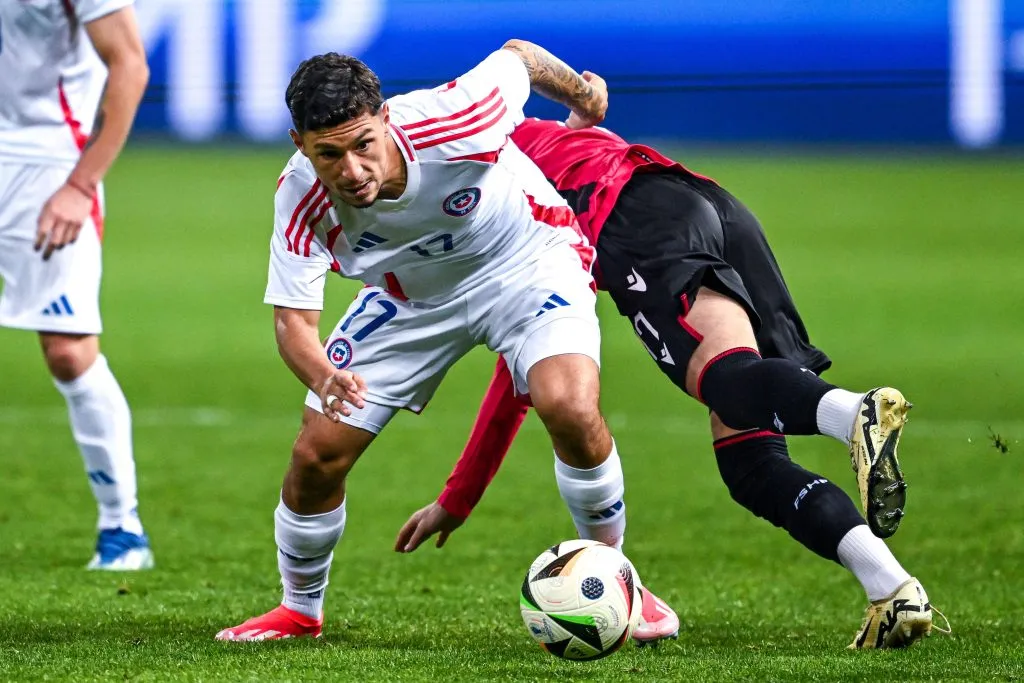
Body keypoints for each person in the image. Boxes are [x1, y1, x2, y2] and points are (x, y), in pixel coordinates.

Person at [395, 119, 950, 649]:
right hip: (711, 207)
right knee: (752, 464)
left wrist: (459, 496)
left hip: (631, 222)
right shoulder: (501, 128)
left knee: (722, 379)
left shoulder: (461, 173)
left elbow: (525, 366)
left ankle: (854, 414)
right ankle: (892, 589)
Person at [215, 42, 677, 643]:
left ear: (385, 119)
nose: (352, 171)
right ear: (300, 144)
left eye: (364, 145)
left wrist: (584, 98)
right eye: (329, 154)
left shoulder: (459, 115)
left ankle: (620, 580)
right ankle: (299, 610)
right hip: (409, 298)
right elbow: (293, 324)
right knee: (316, 455)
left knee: (568, 404)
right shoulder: (299, 196)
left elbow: (520, 56)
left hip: (526, 261)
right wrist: (324, 378)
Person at [0, 0, 153, 569]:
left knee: (68, 351)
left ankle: (122, 526)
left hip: (44, 162)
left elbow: (129, 63)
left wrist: (80, 185)